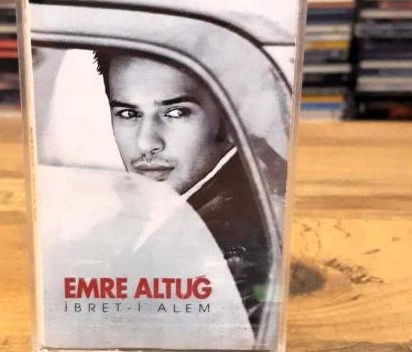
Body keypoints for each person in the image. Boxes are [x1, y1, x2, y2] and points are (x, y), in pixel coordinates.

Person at [94, 49, 279, 333]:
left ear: (234, 118)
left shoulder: (232, 253)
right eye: (129, 114)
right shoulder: (151, 208)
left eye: (175, 112)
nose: (146, 143)